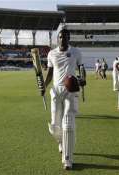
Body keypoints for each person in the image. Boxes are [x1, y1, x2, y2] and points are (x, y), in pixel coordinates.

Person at [42, 28, 86, 170]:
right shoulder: (51, 54)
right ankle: (60, 141)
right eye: (60, 37)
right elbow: (50, 73)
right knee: (55, 126)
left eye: (65, 37)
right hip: (55, 91)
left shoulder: (76, 52)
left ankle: (67, 159)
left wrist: (83, 78)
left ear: (69, 38)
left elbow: (81, 68)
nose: (62, 39)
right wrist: (43, 85)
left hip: (71, 90)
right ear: (57, 39)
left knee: (68, 124)